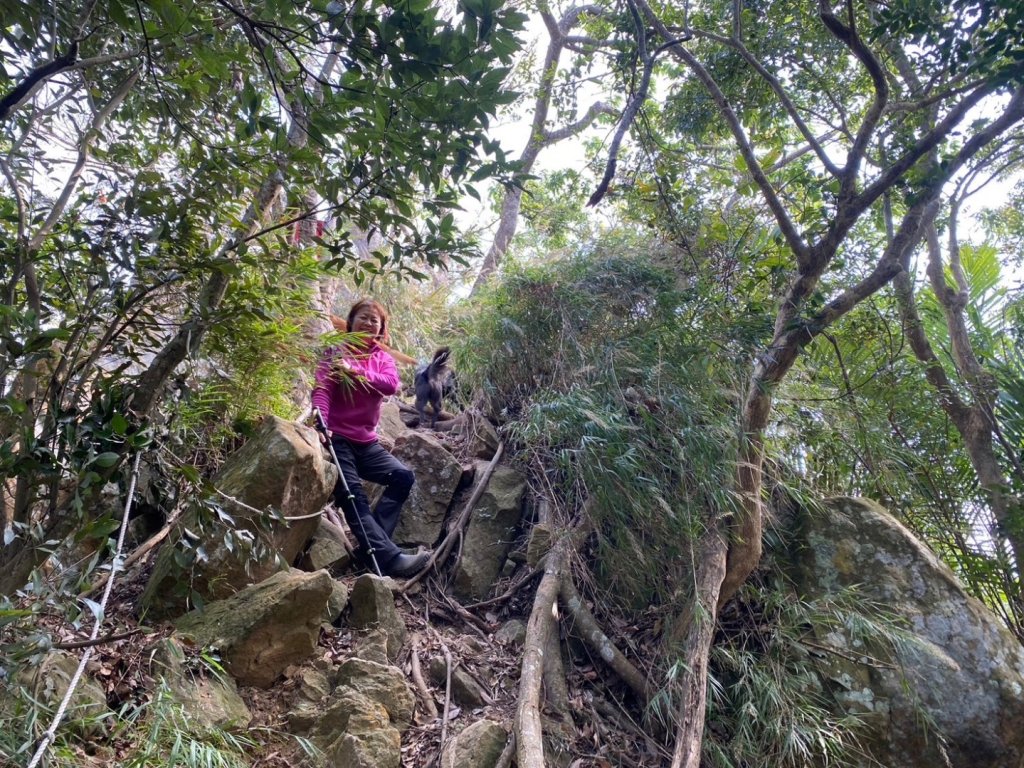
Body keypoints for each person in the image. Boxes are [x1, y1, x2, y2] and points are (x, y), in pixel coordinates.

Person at [311, 299, 429, 577]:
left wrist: (355, 372)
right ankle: (389, 559)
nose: (368, 323)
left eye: (374, 320)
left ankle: (372, 546)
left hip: (366, 442)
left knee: (402, 476)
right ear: (351, 322)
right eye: (363, 317)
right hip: (337, 438)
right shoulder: (335, 352)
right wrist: (322, 422)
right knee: (354, 498)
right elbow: (322, 390)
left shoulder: (383, 359)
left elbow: (390, 385)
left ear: (381, 329)